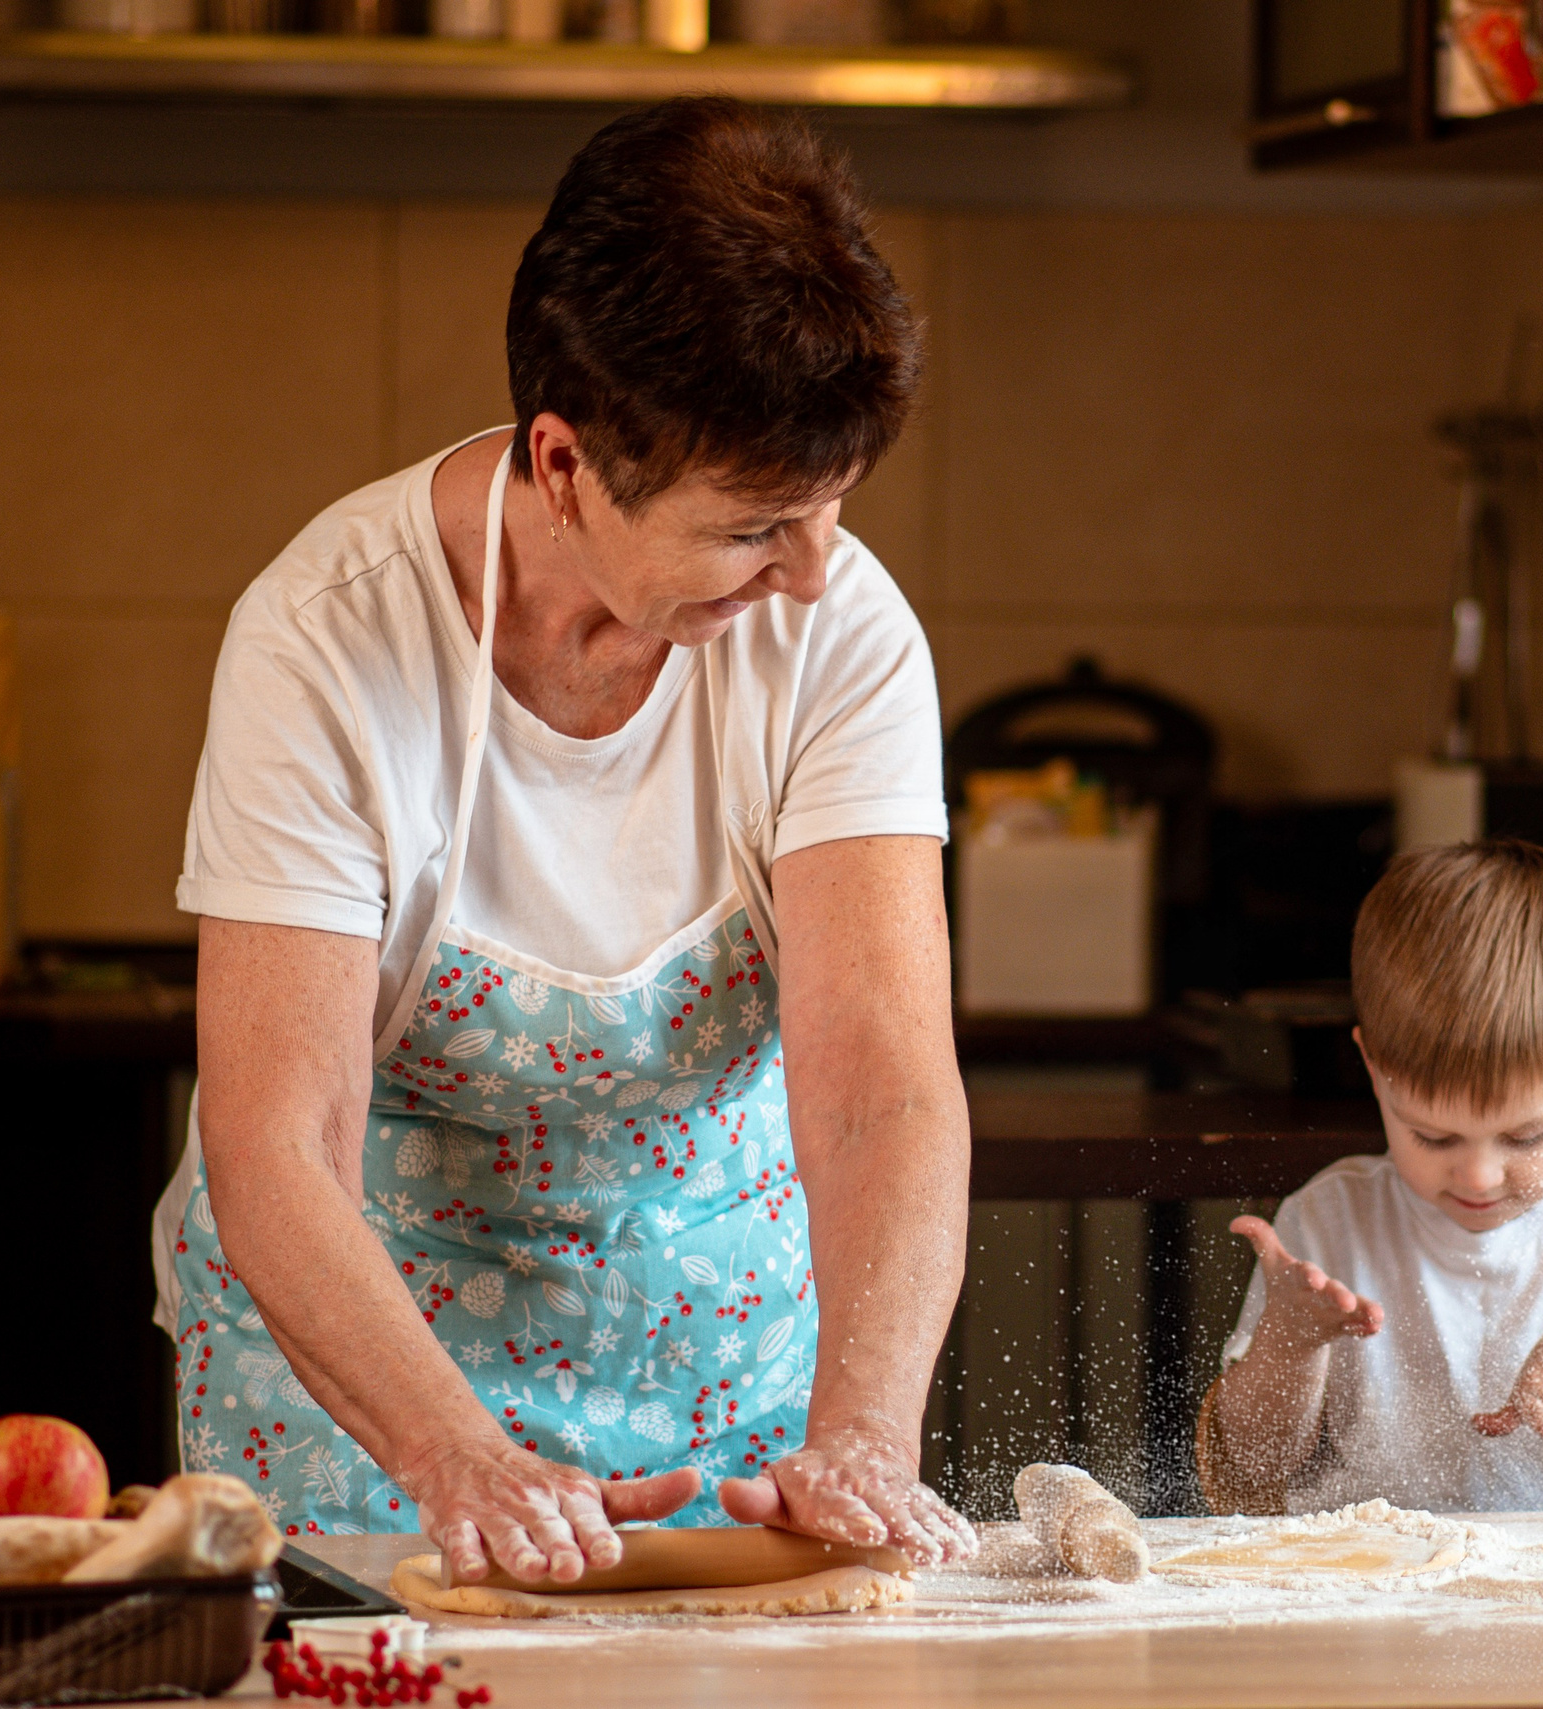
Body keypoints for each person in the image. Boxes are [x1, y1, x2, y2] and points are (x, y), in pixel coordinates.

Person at [150, 98, 977, 1585]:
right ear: (563, 463)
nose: (811, 572)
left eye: (832, 509)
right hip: (372, 1422)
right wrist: (455, 1453)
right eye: (752, 527)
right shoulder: (327, 646)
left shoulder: (841, 634)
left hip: (724, 1395)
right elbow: (279, 1140)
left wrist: (862, 1434)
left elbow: (882, 1090)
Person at [1197, 841, 1543, 1514]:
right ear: (1373, 1069)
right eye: (1432, 1135)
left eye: (1525, 1135)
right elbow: (1258, 1459)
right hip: (1376, 1601)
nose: (1478, 1172)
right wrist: (1291, 1340)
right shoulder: (1327, 1221)